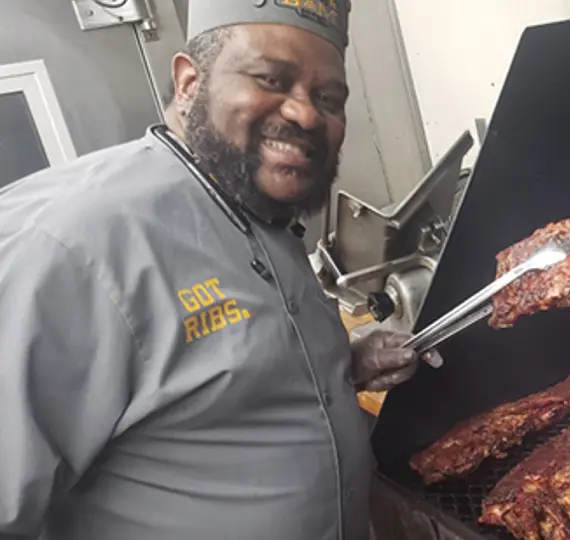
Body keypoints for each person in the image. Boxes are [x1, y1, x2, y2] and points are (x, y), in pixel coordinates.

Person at [0, 1, 439, 539]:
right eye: (271, 79)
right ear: (189, 82)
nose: (306, 115)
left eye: (328, 98)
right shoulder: (66, 246)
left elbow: (221, 381)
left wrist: (342, 365)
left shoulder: (256, 203)